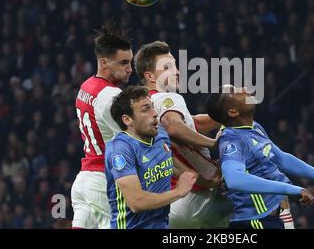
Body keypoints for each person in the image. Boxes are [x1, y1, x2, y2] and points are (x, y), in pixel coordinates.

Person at [205, 85, 314, 229]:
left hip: (270, 217)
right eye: (236, 92)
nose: (244, 88)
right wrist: (293, 190)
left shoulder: (254, 127)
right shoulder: (231, 140)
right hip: (253, 221)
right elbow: (234, 179)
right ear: (233, 111)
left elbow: (282, 159)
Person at [134, 41, 232, 228]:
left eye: (175, 65)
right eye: (167, 67)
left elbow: (194, 124)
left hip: (167, 203)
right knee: (267, 199)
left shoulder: (145, 107)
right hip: (197, 198)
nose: (176, 71)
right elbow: (175, 128)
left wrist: (228, 111)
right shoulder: (168, 98)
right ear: (150, 76)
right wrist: (213, 143)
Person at [105, 86, 196, 229]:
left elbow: (168, 163)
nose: (155, 114)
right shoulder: (120, 149)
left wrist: (196, 177)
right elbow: (136, 202)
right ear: (127, 120)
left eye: (153, 107)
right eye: (145, 109)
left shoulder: (160, 135)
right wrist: (178, 192)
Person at [71, 21, 133, 229]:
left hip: (83, 181)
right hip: (104, 183)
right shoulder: (112, 96)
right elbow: (135, 140)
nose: (130, 69)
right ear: (104, 63)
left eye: (130, 62)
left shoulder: (86, 86)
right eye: (123, 63)